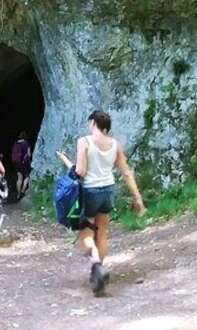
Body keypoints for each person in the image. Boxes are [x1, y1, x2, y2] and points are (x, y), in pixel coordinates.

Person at [55, 110, 146, 295]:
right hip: (108, 191)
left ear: (92, 122)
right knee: (102, 233)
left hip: (90, 192)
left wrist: (67, 164)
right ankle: (98, 271)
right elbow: (126, 172)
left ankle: (96, 264)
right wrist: (138, 198)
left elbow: (80, 171)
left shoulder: (85, 141)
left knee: (87, 234)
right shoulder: (115, 144)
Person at [11, 131, 32, 200]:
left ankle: (18, 193)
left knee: (19, 178)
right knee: (27, 176)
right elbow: (29, 154)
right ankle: (23, 191)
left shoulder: (16, 143)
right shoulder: (26, 144)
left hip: (17, 163)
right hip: (25, 163)